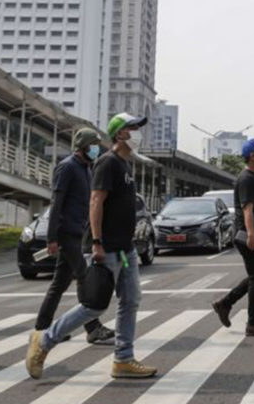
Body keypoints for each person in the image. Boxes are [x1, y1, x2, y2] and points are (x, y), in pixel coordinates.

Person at [27, 113, 157, 380]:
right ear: (120, 133)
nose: (137, 133)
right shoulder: (107, 163)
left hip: (125, 249)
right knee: (94, 306)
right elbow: (95, 202)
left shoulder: (125, 164)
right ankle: (44, 341)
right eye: (133, 128)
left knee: (130, 301)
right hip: (105, 248)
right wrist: (96, 242)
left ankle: (123, 358)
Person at [32, 128, 115, 345]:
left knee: (59, 284)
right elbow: (56, 203)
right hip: (68, 234)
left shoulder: (86, 168)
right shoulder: (67, 167)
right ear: (85, 146)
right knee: (85, 277)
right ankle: (93, 327)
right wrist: (52, 238)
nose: (97, 149)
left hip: (80, 232)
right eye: (94, 145)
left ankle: (42, 328)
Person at [211, 138, 254, 336]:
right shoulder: (246, 179)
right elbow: (247, 209)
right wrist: (251, 235)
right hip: (249, 235)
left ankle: (225, 304)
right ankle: (252, 322)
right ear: (252, 156)